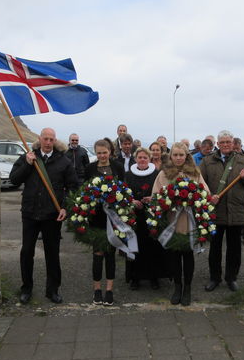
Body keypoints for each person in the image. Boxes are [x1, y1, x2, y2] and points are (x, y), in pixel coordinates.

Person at [9, 128, 78, 305]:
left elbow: (73, 187)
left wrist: (65, 208)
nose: (48, 142)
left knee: (52, 253)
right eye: (45, 139)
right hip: (30, 213)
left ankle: (52, 290)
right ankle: (26, 289)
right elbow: (14, 179)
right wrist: (27, 164)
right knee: (26, 252)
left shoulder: (63, 161)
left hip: (52, 215)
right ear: (39, 139)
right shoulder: (29, 157)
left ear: (55, 141)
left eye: (51, 139)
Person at [152, 142, 210, 306]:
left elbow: (205, 192)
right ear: (171, 156)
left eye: (181, 155)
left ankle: (188, 288)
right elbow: (156, 195)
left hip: (189, 221)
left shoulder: (195, 173)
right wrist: (168, 200)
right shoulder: (164, 174)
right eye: (175, 155)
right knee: (174, 257)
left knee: (188, 256)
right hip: (172, 221)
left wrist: (194, 197)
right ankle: (177, 287)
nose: (178, 158)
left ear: (187, 156)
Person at [200, 130, 244, 293]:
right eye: (222, 142)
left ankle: (231, 278)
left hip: (236, 210)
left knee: (234, 248)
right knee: (215, 248)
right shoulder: (208, 161)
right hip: (216, 211)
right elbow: (201, 184)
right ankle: (214, 278)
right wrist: (209, 197)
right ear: (217, 144)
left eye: (228, 142)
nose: (225, 145)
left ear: (233, 142)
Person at [84, 139, 126, 306]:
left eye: (104, 152)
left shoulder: (118, 167)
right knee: (97, 255)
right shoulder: (89, 169)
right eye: (99, 152)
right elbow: (85, 189)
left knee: (110, 255)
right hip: (97, 217)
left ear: (110, 151)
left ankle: (109, 289)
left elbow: (123, 189)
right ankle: (96, 289)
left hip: (113, 216)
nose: (102, 155)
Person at [125, 147, 166, 290]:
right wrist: (132, 201)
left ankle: (154, 277)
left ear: (149, 159)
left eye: (145, 157)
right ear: (135, 159)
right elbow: (124, 193)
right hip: (135, 216)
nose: (142, 160)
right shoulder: (128, 175)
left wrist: (152, 198)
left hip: (151, 216)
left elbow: (162, 191)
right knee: (135, 246)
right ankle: (135, 277)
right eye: (140, 157)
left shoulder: (156, 174)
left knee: (152, 247)